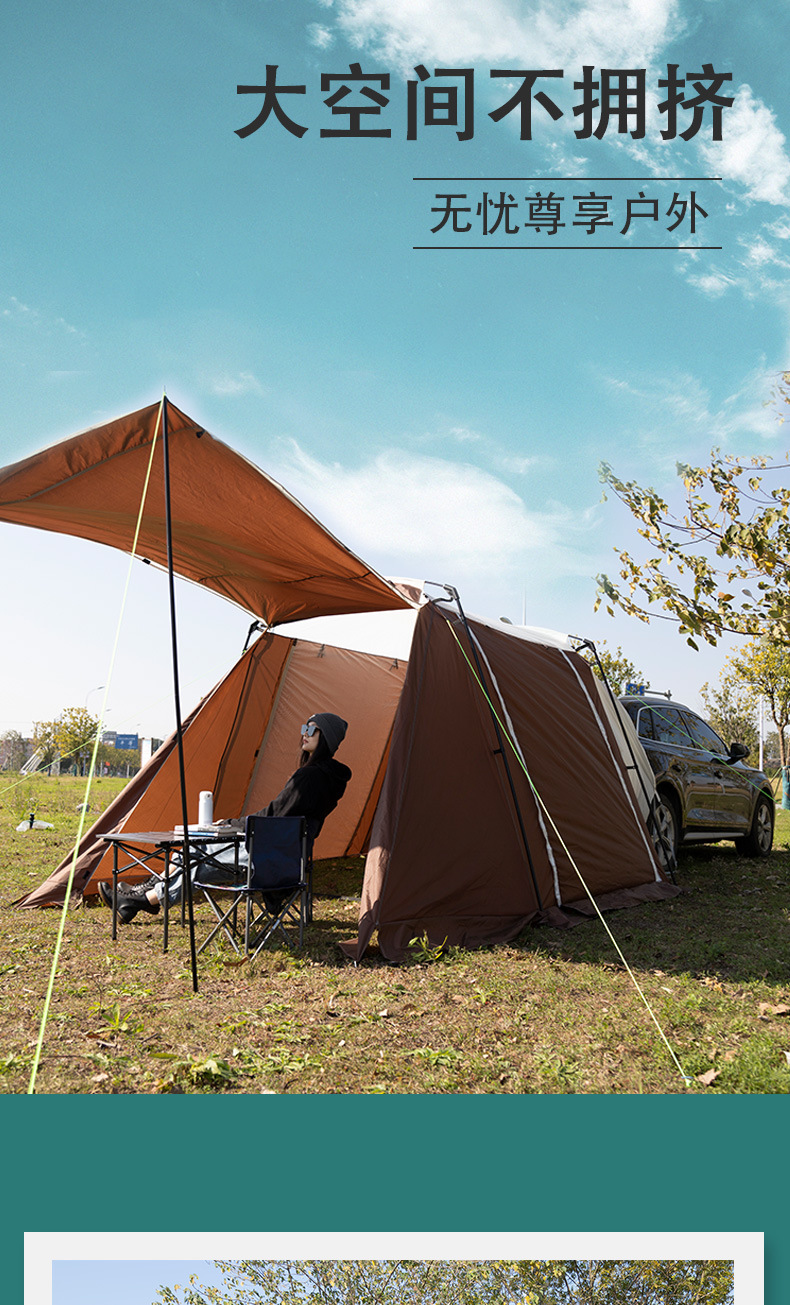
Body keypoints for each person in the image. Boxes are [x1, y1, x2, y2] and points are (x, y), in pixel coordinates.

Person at [99, 712, 351, 922]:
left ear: (326, 737)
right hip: (290, 856)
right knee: (196, 857)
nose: (304, 733)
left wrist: (230, 824)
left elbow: (271, 817)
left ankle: (143, 898)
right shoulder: (332, 780)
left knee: (196, 852)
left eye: (311, 729)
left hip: (267, 855)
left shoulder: (308, 778)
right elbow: (280, 818)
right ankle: (142, 897)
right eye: (304, 727)